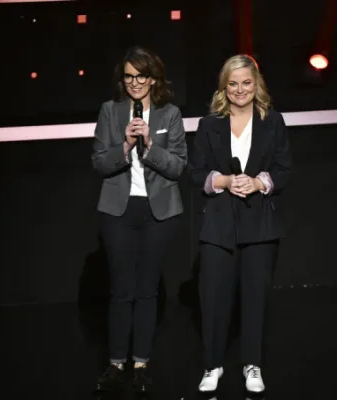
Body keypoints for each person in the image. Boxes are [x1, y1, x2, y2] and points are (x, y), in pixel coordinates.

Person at [189, 54, 292, 393]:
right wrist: (225, 181)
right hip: (218, 223)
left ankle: (252, 364)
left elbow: (284, 169)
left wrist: (259, 183)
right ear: (224, 87)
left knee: (255, 297)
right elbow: (196, 172)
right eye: (232, 84)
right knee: (214, 297)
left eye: (246, 82)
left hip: (260, 222)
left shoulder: (272, 121)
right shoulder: (209, 124)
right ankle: (212, 365)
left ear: (256, 84)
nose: (239, 90)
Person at [90, 45, 188, 393]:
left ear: (153, 78)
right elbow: (99, 162)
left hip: (158, 212)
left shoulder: (169, 113)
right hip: (118, 210)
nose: (134, 83)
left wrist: (148, 145)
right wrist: (125, 146)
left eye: (140, 76)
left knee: (147, 290)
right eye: (128, 76)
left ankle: (142, 363)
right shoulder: (110, 111)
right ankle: (117, 362)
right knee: (121, 290)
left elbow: (178, 166)